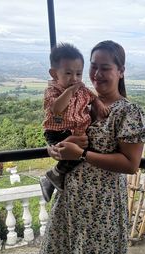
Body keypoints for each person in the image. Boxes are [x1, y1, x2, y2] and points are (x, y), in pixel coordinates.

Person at [38, 40, 145, 254]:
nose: (97, 74)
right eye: (93, 66)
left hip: (100, 208)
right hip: (69, 201)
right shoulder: (81, 105)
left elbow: (130, 164)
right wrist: (56, 150)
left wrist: (79, 154)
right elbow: (57, 126)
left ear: (121, 71)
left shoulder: (128, 112)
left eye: (105, 68)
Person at [40, 42, 109, 202]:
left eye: (78, 74)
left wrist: (98, 104)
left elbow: (92, 97)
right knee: (76, 153)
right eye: (68, 73)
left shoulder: (82, 89)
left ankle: (53, 176)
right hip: (57, 132)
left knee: (85, 151)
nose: (74, 78)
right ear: (54, 73)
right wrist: (70, 91)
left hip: (75, 132)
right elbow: (57, 108)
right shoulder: (52, 90)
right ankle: (53, 176)